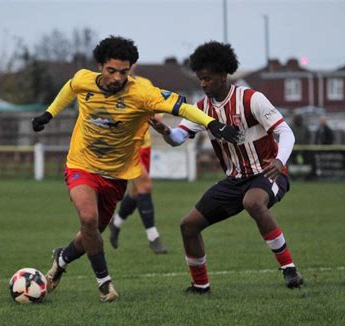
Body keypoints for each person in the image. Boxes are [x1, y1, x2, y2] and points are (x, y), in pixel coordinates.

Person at [31, 36, 241, 302]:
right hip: (81, 164)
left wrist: (212, 124)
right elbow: (70, 88)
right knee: (88, 219)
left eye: (124, 71)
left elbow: (184, 107)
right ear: (100, 66)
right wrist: (48, 115)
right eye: (111, 71)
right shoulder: (84, 79)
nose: (118, 78)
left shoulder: (142, 93)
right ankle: (104, 284)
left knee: (91, 233)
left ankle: (61, 259)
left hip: (117, 175)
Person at [150, 41, 303, 293]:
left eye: (207, 78)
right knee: (188, 225)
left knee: (253, 202)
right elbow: (179, 138)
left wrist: (279, 161)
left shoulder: (252, 99)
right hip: (235, 181)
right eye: (200, 79)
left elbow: (286, 133)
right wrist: (167, 132)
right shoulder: (203, 109)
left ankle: (289, 269)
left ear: (223, 75)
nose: (203, 84)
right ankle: (201, 286)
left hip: (267, 173)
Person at [109, 109, 168, 255]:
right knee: (145, 186)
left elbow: (157, 115)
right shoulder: (118, 92)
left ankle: (116, 223)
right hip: (127, 147)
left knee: (136, 192)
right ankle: (153, 237)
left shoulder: (143, 89)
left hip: (145, 146)